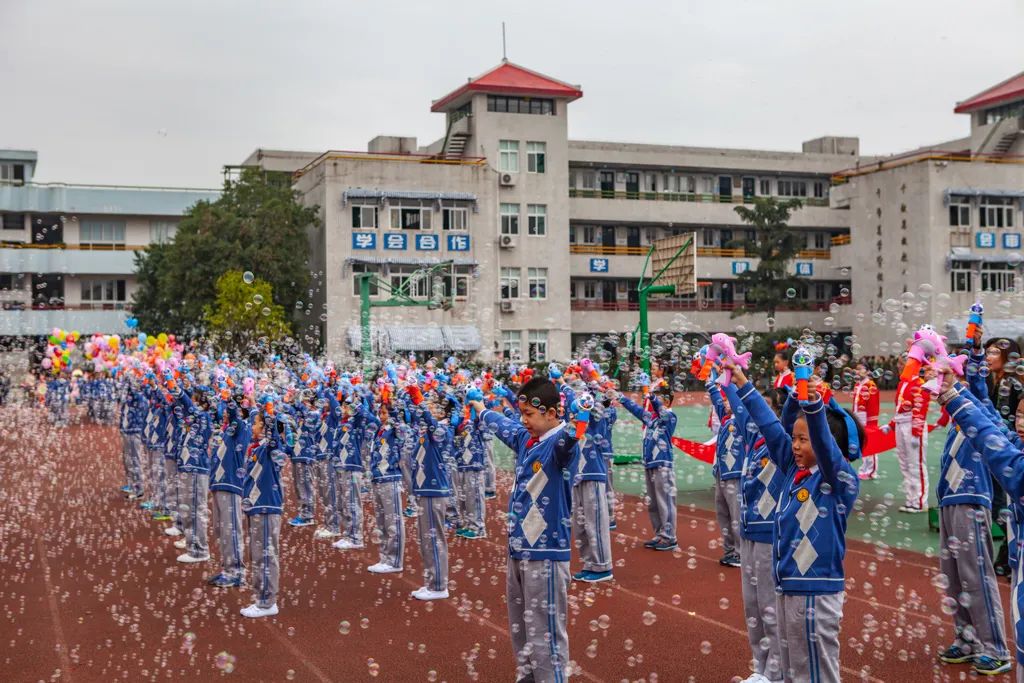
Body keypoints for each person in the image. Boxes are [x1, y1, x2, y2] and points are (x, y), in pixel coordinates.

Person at [725, 357, 861, 683]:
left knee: (816, 675)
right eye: (795, 439)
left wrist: (814, 407)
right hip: (788, 589)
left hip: (815, 595)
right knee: (790, 673)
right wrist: (741, 381)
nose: (795, 446)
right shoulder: (793, 471)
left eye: (804, 440)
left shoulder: (838, 480)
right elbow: (772, 429)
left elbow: (826, 449)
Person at [470, 377, 582, 683]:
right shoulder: (525, 438)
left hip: (545, 555)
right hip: (518, 550)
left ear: (551, 412)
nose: (524, 421)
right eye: (522, 414)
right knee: (520, 628)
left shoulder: (559, 444)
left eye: (529, 414)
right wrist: (477, 402)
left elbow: (571, 441)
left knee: (545, 636)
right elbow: (496, 422)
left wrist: (581, 417)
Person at [931, 337, 1011, 675]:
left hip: (971, 498)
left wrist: (976, 352)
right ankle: (966, 638)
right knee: (952, 577)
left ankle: (994, 646)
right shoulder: (956, 418)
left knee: (975, 575)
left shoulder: (980, 410)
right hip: (949, 499)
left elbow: (976, 383)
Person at [617, 380, 679, 551]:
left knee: (665, 501)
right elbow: (637, 410)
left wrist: (651, 396)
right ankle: (660, 534)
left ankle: (670, 537)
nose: (653, 402)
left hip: (663, 464)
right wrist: (620, 398)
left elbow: (660, 411)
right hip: (650, 463)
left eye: (659, 398)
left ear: (666, 401)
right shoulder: (652, 419)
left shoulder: (670, 417)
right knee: (654, 503)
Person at [406, 385, 454, 601]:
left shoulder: (443, 430)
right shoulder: (429, 430)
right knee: (427, 539)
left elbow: (430, 422)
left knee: (434, 538)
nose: (429, 408)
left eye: (434, 406)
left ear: (444, 412)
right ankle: (432, 581)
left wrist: (419, 401)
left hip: (435, 491)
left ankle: (438, 585)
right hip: (426, 490)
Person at [240, 406, 288, 618]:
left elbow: (275, 438)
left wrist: (269, 412)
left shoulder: (271, 447)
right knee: (258, 555)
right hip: (257, 506)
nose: (252, 426)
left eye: (255, 422)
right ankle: (261, 597)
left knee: (266, 556)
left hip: (267, 506)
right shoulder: (256, 448)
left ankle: (268, 601)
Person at [982, 336, 1021, 578]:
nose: (989, 356)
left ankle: (1008, 557)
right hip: (998, 451)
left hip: (1009, 452)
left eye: (995, 352)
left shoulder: (1013, 384)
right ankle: (1006, 558)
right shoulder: (995, 382)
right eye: (987, 352)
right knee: (1001, 505)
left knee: (1003, 505)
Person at [206, 391, 249, 588]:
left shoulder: (241, 429)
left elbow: (234, 416)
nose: (224, 413)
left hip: (231, 485)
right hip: (218, 485)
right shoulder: (225, 432)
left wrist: (228, 397)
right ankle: (227, 568)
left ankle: (236, 572)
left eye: (228, 411)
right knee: (221, 529)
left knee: (231, 529)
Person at [367, 400, 405, 573]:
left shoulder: (396, 430)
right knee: (381, 521)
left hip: (391, 479)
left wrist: (392, 406)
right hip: (378, 479)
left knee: (393, 522)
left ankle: (395, 561)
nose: (382, 416)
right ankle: (384, 557)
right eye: (380, 412)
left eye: (385, 413)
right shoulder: (379, 431)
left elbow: (400, 427)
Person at [709, 382, 743, 567]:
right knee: (723, 513)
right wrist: (709, 378)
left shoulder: (742, 419)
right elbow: (715, 399)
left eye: (728, 399)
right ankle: (729, 549)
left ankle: (740, 552)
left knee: (736, 514)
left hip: (735, 473)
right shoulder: (725, 419)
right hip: (721, 472)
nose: (724, 402)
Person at [852, 362, 881, 480]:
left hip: (867, 418)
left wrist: (872, 422)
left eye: (861, 369)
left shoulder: (871, 386)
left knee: (871, 444)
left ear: (868, 371)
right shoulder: (857, 385)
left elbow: (873, 406)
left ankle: (872, 470)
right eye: (856, 369)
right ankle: (864, 468)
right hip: (858, 416)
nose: (858, 372)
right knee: (863, 444)